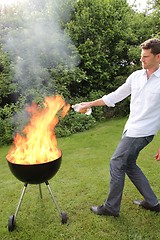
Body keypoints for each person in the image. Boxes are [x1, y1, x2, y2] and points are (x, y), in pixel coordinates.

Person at [78, 38, 160, 217]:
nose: (142, 60)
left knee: (116, 162)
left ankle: (111, 207)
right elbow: (114, 96)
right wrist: (89, 103)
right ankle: (153, 202)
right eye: (141, 56)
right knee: (129, 164)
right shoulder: (136, 76)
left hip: (143, 132)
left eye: (146, 56)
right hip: (131, 128)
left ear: (158, 57)